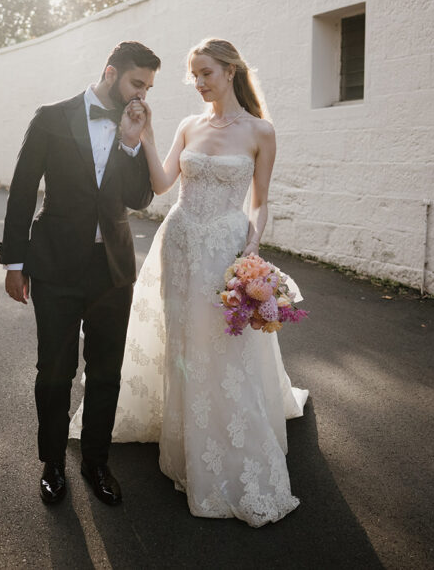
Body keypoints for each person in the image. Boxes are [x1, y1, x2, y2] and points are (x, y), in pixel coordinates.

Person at [70, 38, 308, 527]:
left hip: (225, 245)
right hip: (178, 245)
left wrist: (254, 242)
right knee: (184, 341)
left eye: (206, 73)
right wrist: (151, 135)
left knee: (223, 343)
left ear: (230, 70)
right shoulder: (187, 125)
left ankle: (230, 443)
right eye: (194, 75)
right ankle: (186, 446)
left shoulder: (261, 130)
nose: (199, 83)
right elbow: (160, 185)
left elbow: (260, 200)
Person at [0, 41, 161, 506]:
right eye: (136, 84)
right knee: (54, 368)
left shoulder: (134, 124)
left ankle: (96, 461)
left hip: (112, 267)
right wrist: (15, 261)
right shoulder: (51, 117)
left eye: (148, 88)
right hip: (54, 265)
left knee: (107, 370)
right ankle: (52, 462)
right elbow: (22, 190)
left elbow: (139, 199)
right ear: (110, 73)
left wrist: (132, 142)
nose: (141, 97)